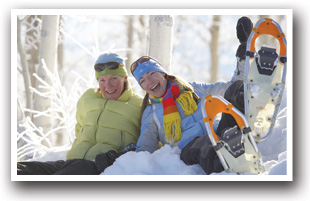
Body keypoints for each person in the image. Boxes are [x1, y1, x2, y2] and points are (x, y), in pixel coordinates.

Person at [130, 16, 253, 175]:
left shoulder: (191, 88)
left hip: (218, 132)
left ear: (163, 74)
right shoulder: (151, 112)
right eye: (143, 80)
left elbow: (229, 88)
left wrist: (243, 57)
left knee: (236, 90)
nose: (149, 81)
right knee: (206, 146)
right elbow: (145, 148)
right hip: (190, 148)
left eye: (152, 73)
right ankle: (226, 172)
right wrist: (128, 161)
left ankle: (247, 125)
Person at [17, 52, 143, 175]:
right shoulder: (89, 97)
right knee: (20, 169)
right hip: (72, 162)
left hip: (97, 167)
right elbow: (79, 129)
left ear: (125, 78)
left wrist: (117, 157)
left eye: (114, 78)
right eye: (102, 80)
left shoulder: (138, 105)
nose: (108, 86)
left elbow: (150, 142)